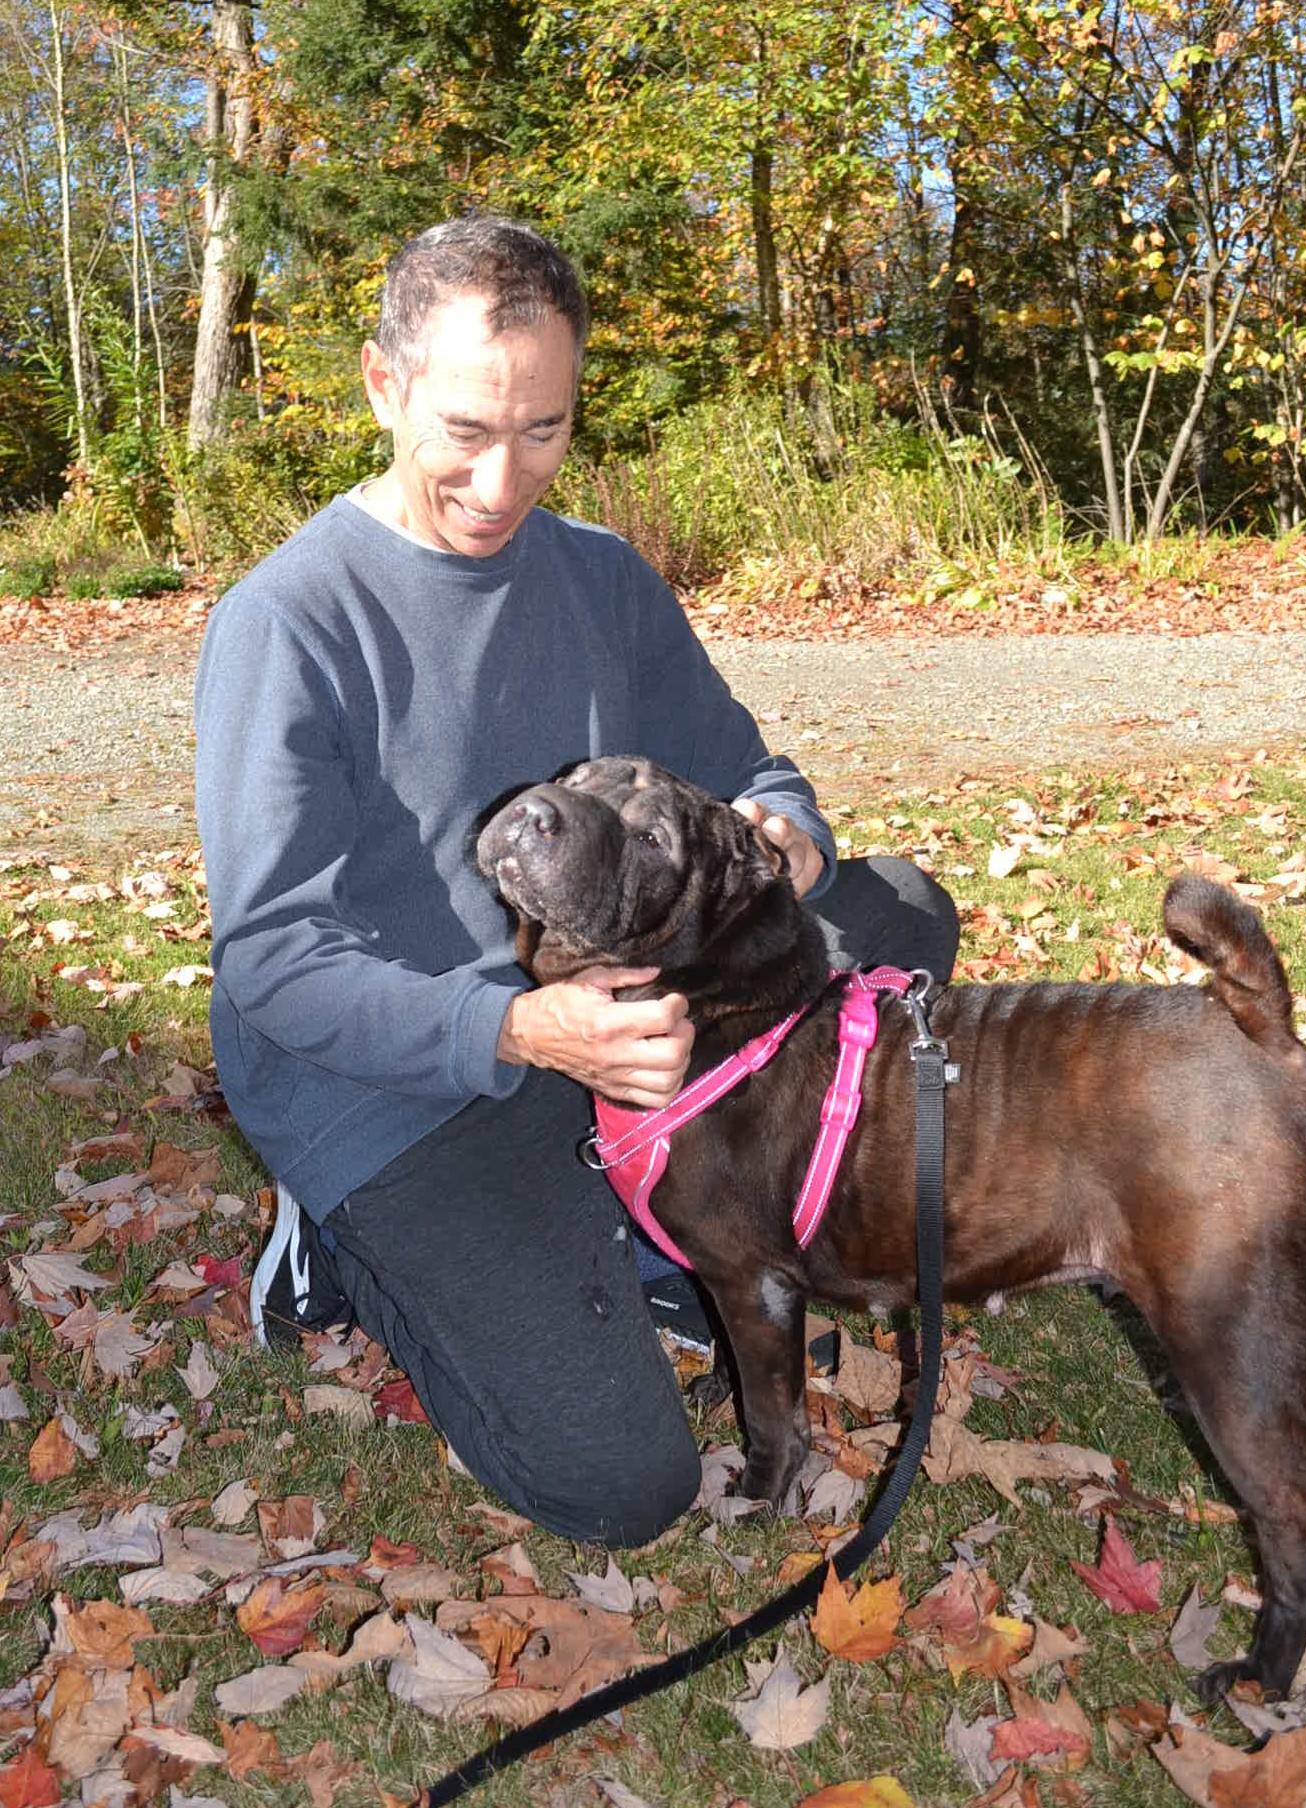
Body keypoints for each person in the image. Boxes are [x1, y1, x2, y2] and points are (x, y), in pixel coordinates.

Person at [194, 216, 959, 1546]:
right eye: (465, 432)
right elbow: (271, 959)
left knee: (899, 913)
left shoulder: (600, 575)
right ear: (384, 387)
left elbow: (740, 762)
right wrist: (518, 1030)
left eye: (542, 432)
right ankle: (339, 1245)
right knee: (623, 1486)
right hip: (396, 1067)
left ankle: (649, 1204)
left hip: (605, 1001)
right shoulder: (290, 620)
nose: (502, 483)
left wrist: (786, 835)